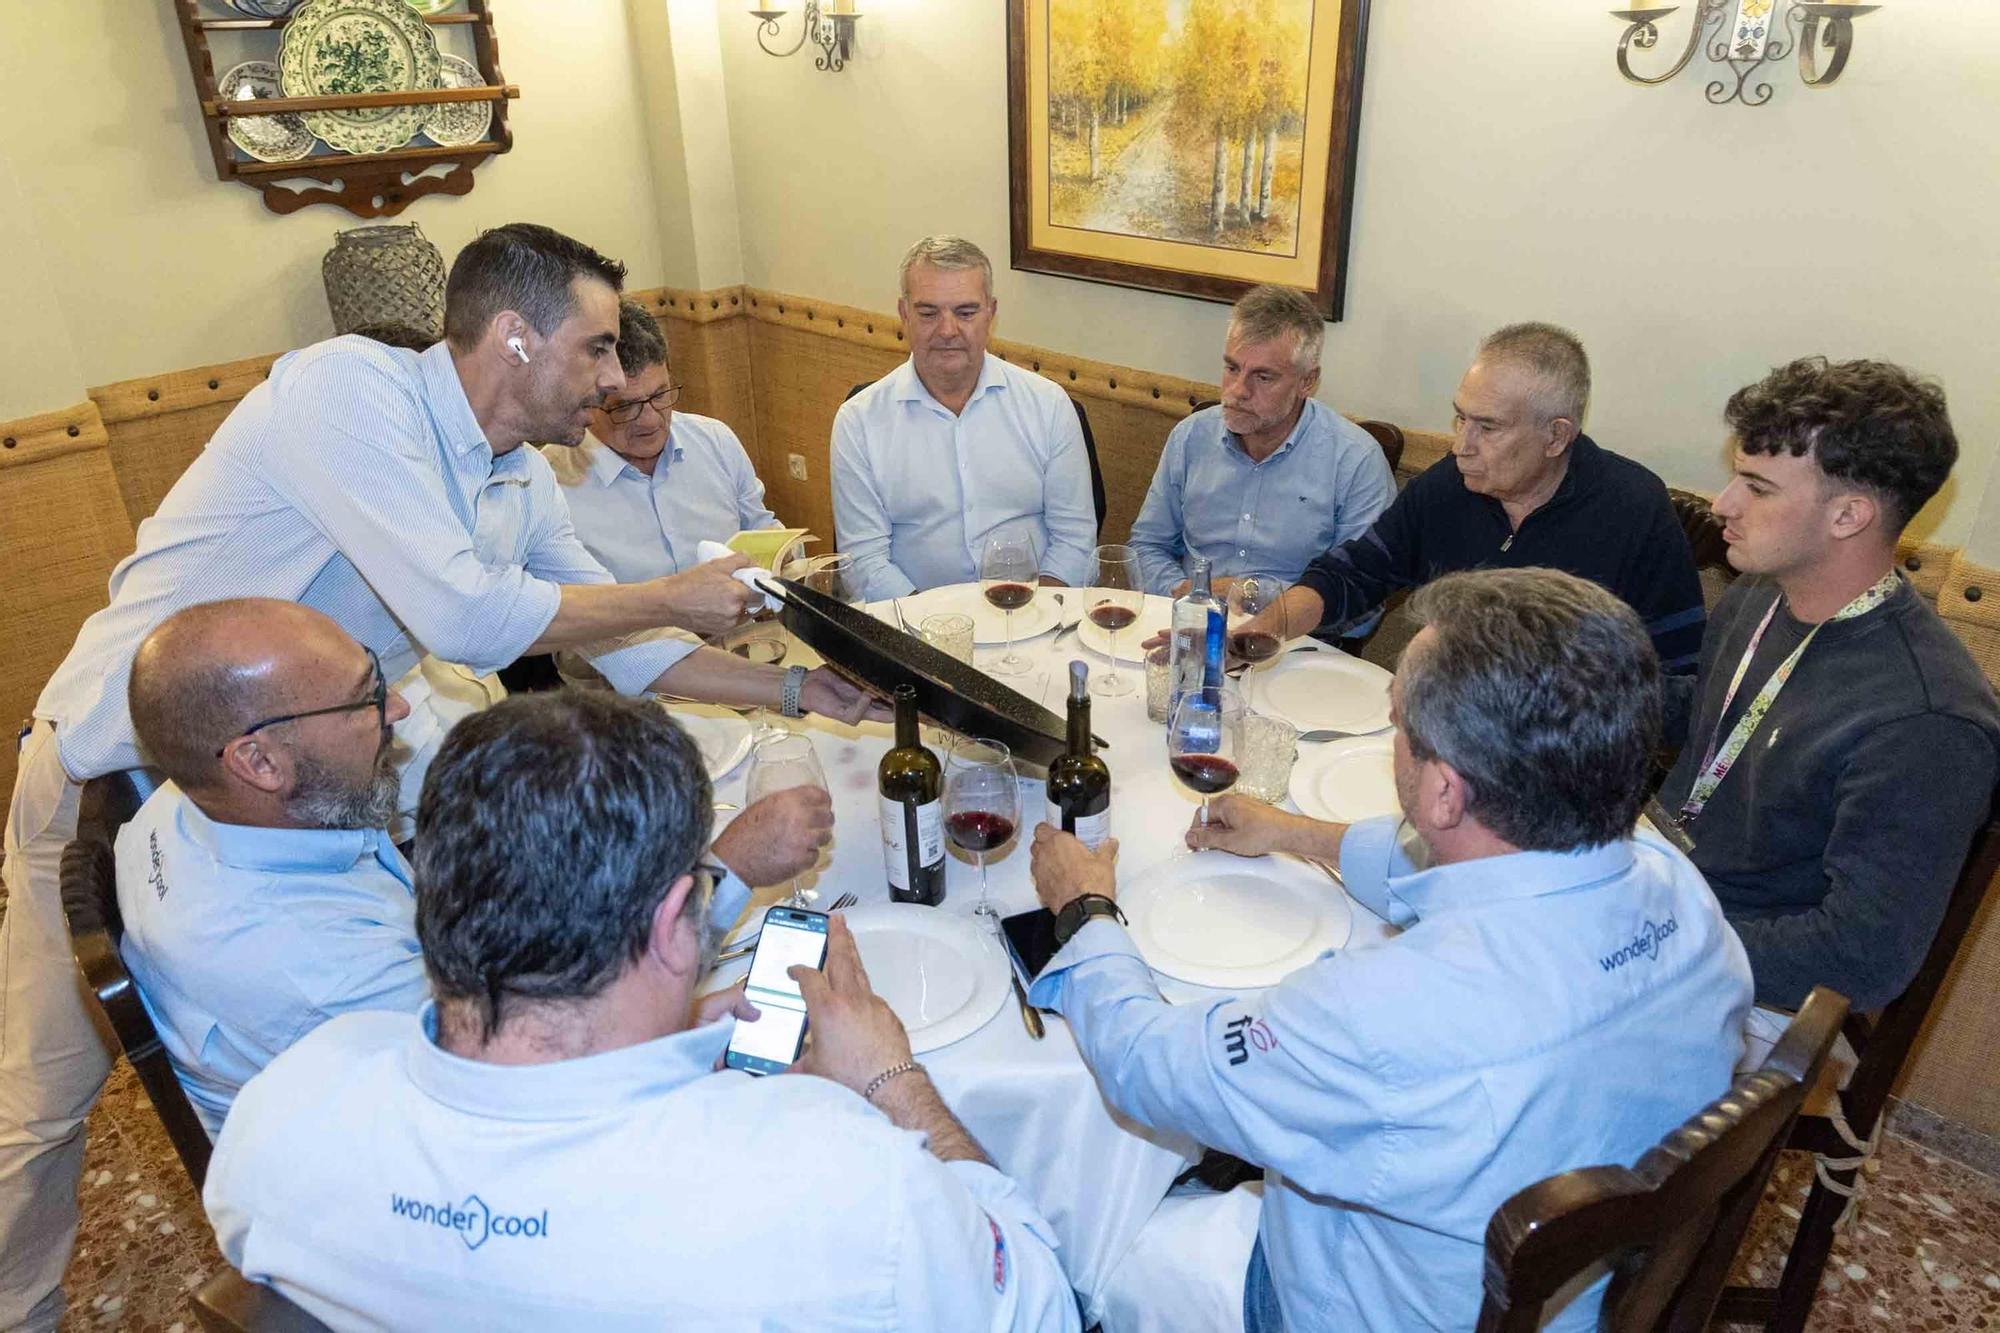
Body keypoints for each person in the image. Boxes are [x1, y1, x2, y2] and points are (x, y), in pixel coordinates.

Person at [0, 222, 878, 1330]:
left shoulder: (516, 472)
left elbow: (614, 642)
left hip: (288, 789)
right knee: (40, 1105)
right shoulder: (346, 396)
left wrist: (805, 696)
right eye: (597, 348)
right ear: (513, 338)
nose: (613, 381)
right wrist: (673, 592)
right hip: (117, 763)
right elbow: (469, 616)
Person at [204, 691, 1078, 1331]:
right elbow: (1042, 1300)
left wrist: (671, 1038)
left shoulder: (282, 1107)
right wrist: (896, 1081)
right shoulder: (844, 1179)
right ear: (671, 921)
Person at [1029, 567, 1752, 1332]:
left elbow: (1151, 1068)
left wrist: (1087, 912)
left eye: (1400, 722)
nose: (1391, 725)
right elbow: (1469, 867)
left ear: (1444, 792)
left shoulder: (1387, 1011)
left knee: (1096, 1237)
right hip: (1567, 1290)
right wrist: (1296, 832)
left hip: (1359, 1309)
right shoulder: (1683, 889)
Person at [113, 600, 834, 1134]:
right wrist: (725, 871)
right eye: (364, 699)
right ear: (258, 759)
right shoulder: (318, 969)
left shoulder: (182, 808)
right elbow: (539, 1084)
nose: (396, 706)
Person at [1659, 357, 2000, 1027]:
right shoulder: (1762, 590)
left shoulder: (1926, 719)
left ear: (1848, 515)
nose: (1723, 503)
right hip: (1659, 897)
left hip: (1744, 988)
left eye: (1756, 487)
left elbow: (1863, 954)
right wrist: (1540, 694)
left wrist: (1654, 949)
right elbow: (1712, 717)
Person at [1233, 323, 1706, 672]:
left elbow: (1682, 679)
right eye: (1461, 418)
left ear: (1556, 436)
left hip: (1563, 753)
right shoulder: (1450, 485)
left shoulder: (1634, 510)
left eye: (1489, 427)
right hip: (1442, 728)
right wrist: (1269, 626)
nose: (1462, 444)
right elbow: (1356, 572)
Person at [832, 235, 1096, 598]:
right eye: (928, 313)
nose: (947, 330)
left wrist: (1036, 616)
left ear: (991, 313)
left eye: (966, 312)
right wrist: (931, 638)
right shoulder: (858, 422)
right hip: (912, 627)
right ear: (904, 314)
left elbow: (1075, 538)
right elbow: (864, 558)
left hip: (1032, 614)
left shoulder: (1048, 405)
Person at [1126, 284, 1394, 597]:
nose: (1238, 390)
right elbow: (1146, 546)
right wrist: (1188, 593)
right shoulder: (1191, 437)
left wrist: (1254, 595)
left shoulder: (1355, 461)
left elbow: (1362, 594)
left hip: (1292, 639)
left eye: (1263, 377)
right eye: (1232, 368)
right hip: (1188, 619)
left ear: (1307, 381)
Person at [543, 299, 782, 582]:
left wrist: (784, 557)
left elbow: (763, 530)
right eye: (625, 407)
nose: (650, 420)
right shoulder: (548, 485)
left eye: (660, 395)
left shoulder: (715, 441)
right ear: (586, 400)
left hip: (746, 624)